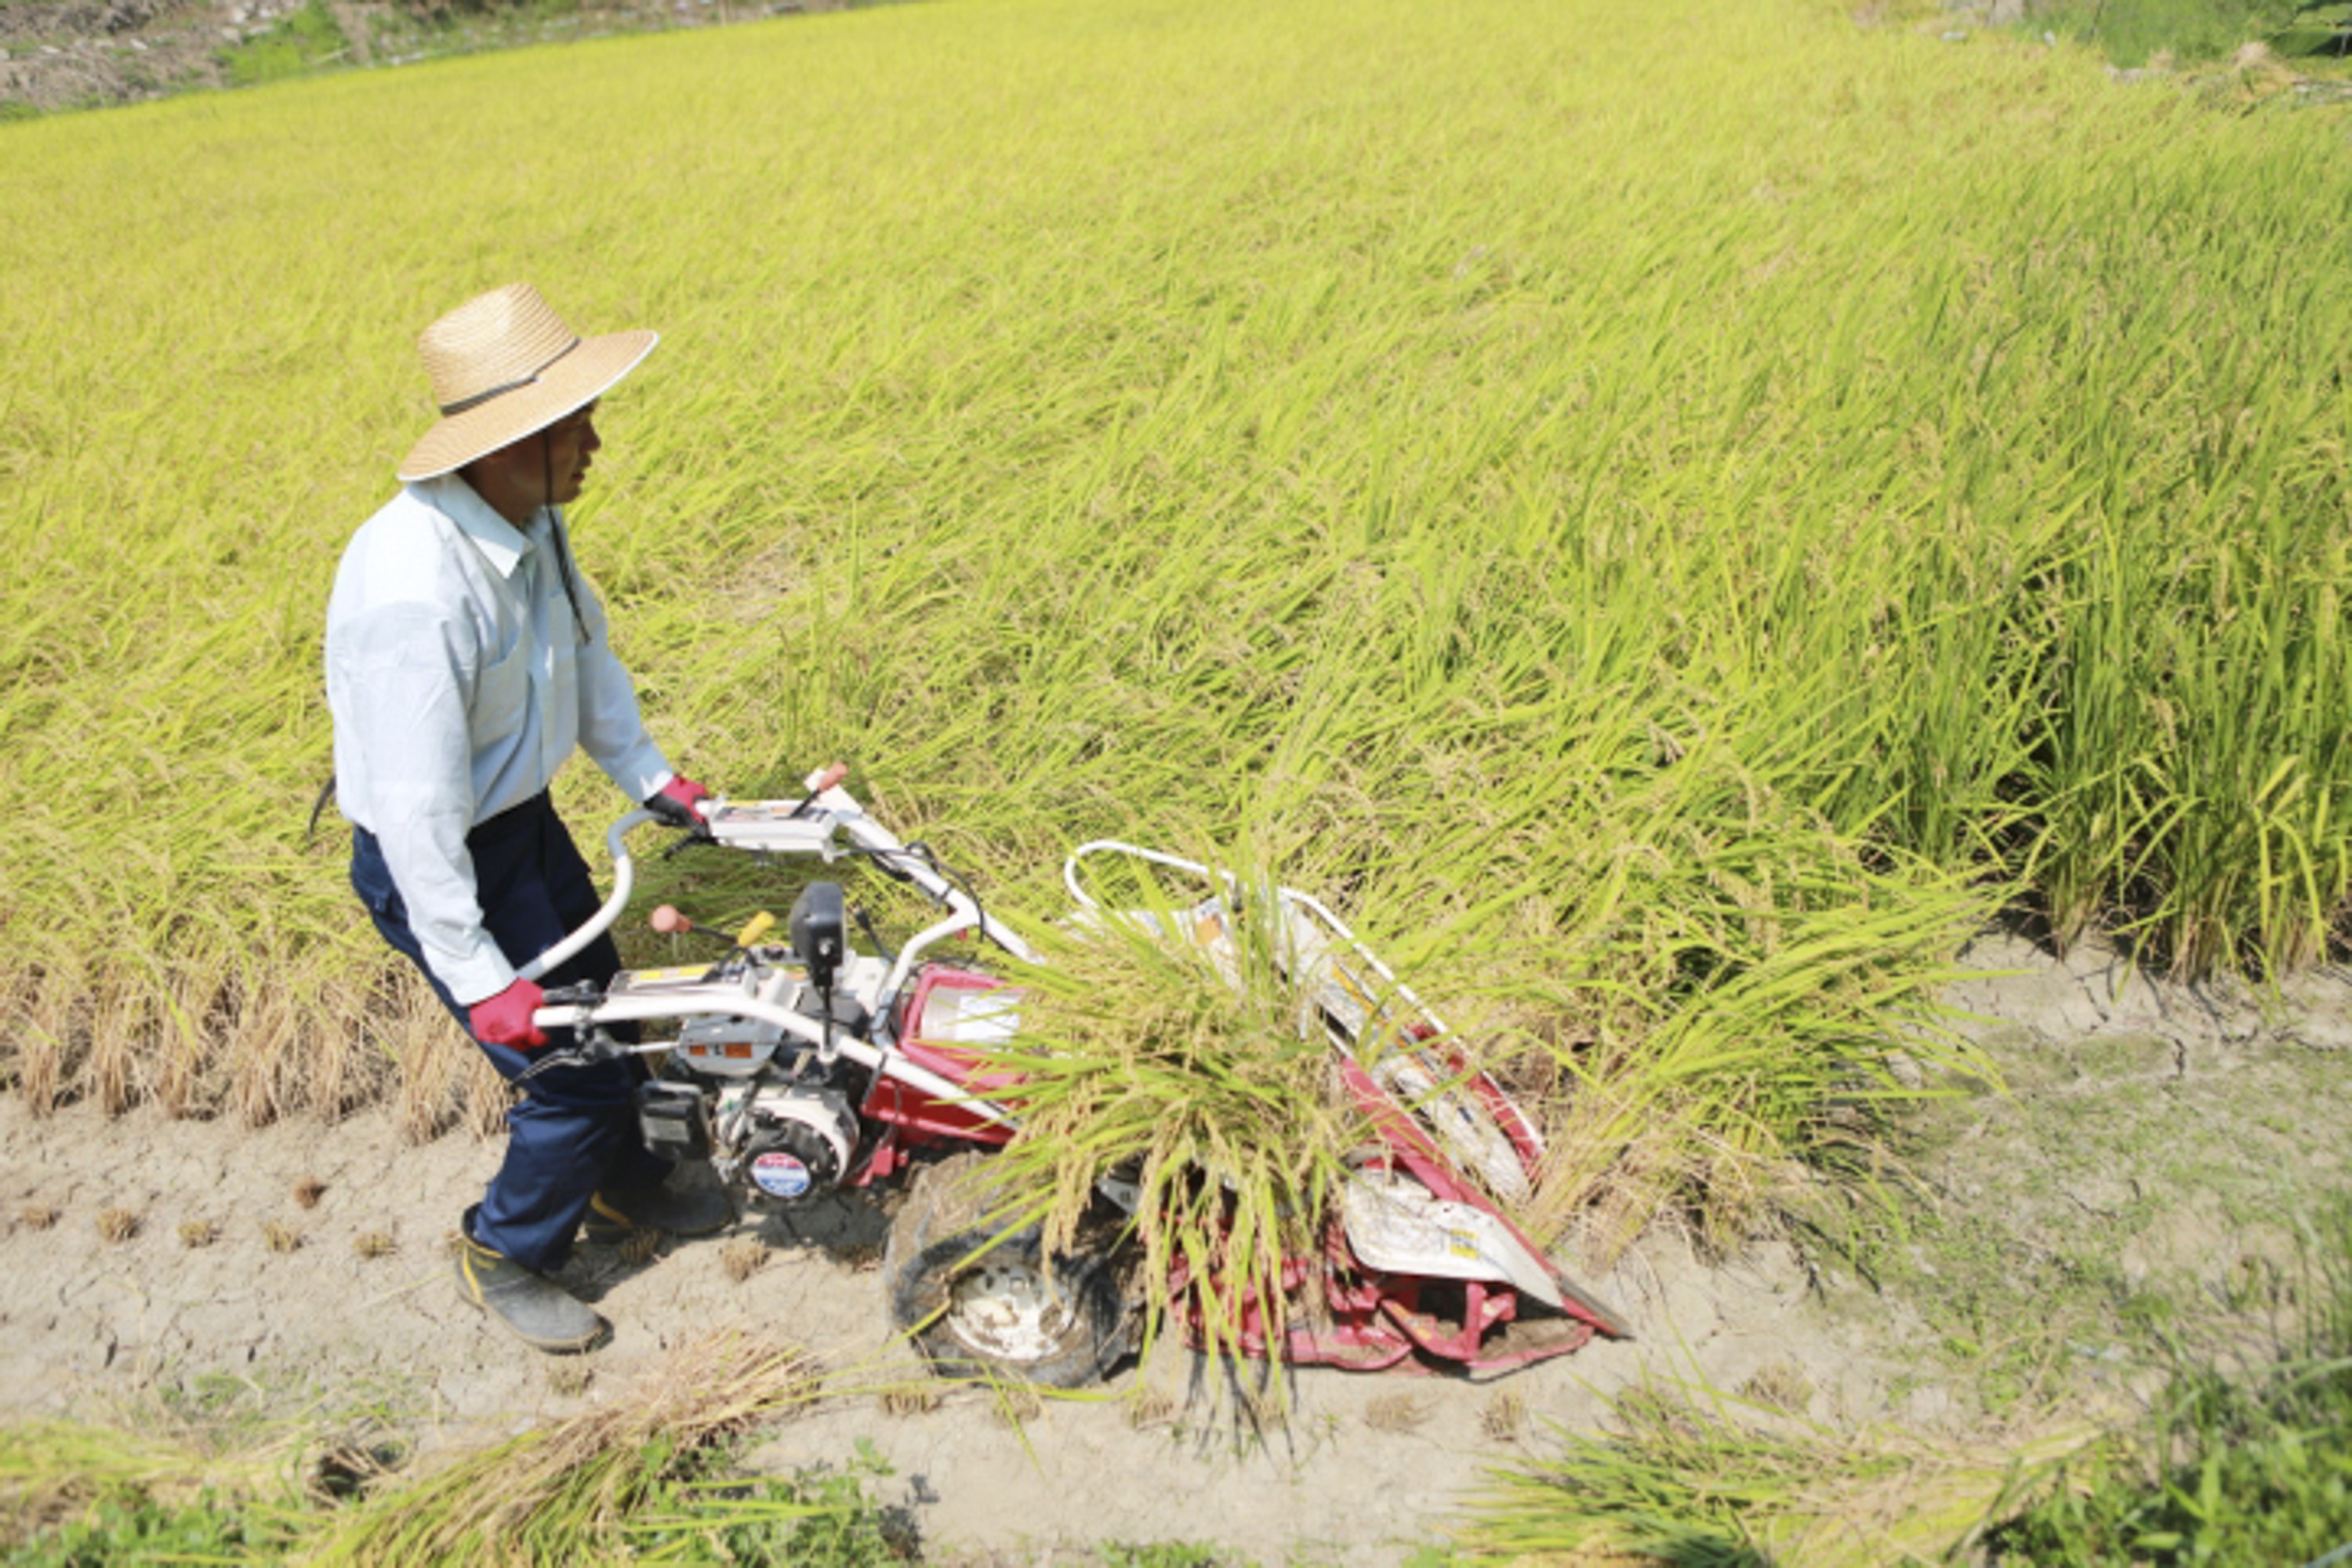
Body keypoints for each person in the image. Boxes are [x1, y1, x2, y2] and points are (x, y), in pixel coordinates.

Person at [325, 282, 731, 1353]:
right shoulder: (415, 589)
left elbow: (586, 657)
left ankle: (623, 1183)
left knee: (603, 1008)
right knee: (566, 1074)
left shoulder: (532, 521)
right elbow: (415, 812)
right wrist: (475, 975)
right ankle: (505, 1252)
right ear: (506, 444)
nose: (596, 441)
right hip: (443, 860)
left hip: (523, 825)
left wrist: (654, 779)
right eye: (575, 425)